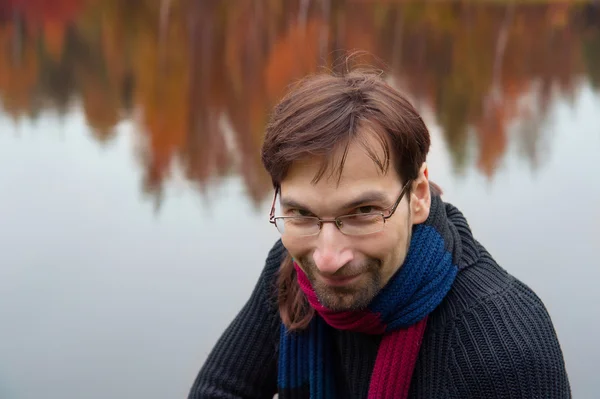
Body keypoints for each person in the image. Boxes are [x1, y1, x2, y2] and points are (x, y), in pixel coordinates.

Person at [188, 70, 571, 398]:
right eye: (302, 214)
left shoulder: (504, 345)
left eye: (362, 213)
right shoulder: (292, 270)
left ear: (418, 196)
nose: (327, 258)